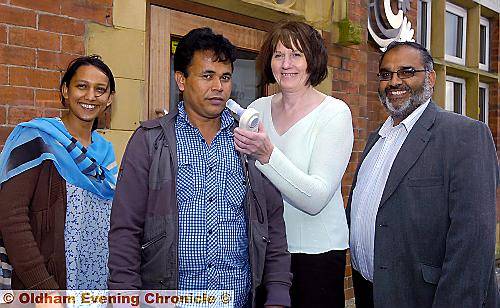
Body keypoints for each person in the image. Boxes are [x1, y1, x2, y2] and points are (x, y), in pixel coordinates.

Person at [107, 27, 291, 308]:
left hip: (237, 299)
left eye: (225, 77)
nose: (218, 86)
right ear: (181, 80)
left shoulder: (249, 143)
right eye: (207, 76)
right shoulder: (150, 142)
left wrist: (278, 294)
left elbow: (273, 224)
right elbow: (125, 229)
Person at [346, 41, 499, 308]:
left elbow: (473, 242)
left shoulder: (464, 135)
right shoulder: (376, 140)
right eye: (386, 74)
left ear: (430, 78)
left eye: (406, 72)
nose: (394, 82)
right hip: (371, 292)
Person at [234, 21, 353, 307]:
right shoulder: (257, 109)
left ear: (313, 60)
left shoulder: (335, 113)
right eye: (278, 55)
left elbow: (316, 198)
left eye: (296, 55)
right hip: (266, 250)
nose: (286, 64)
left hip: (317, 256)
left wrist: (267, 156)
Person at [0, 55, 118, 290]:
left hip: (97, 286)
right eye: (81, 86)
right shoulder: (36, 138)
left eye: (100, 89)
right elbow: (11, 218)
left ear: (109, 99)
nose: (90, 96)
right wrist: (44, 288)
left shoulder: (106, 152)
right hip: (49, 287)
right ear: (65, 90)